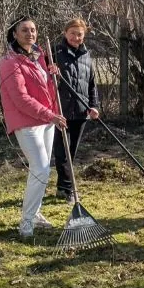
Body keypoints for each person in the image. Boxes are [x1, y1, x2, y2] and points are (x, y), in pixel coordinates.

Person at [0, 16, 67, 238]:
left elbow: (47, 90)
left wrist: (54, 75)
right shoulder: (10, 62)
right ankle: (26, 222)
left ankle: (35, 214)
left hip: (46, 120)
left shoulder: (39, 56)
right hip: (26, 122)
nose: (30, 34)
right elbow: (20, 99)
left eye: (33, 30)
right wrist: (50, 114)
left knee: (42, 170)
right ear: (15, 34)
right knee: (40, 168)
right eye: (25, 30)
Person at [52, 18, 100, 202]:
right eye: (72, 33)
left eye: (80, 34)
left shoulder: (86, 55)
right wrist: (51, 71)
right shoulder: (55, 52)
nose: (76, 37)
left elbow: (92, 84)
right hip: (60, 111)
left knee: (71, 151)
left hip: (81, 111)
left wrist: (94, 106)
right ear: (65, 33)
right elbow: (43, 79)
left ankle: (62, 187)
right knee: (62, 151)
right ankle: (68, 189)